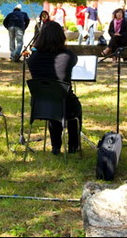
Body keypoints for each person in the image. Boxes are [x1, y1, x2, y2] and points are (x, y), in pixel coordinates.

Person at [27, 21, 82, 155]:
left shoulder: (33, 58)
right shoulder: (68, 56)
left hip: (40, 103)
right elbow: (73, 61)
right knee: (75, 107)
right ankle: (73, 146)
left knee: (54, 104)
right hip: (64, 103)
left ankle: (56, 146)